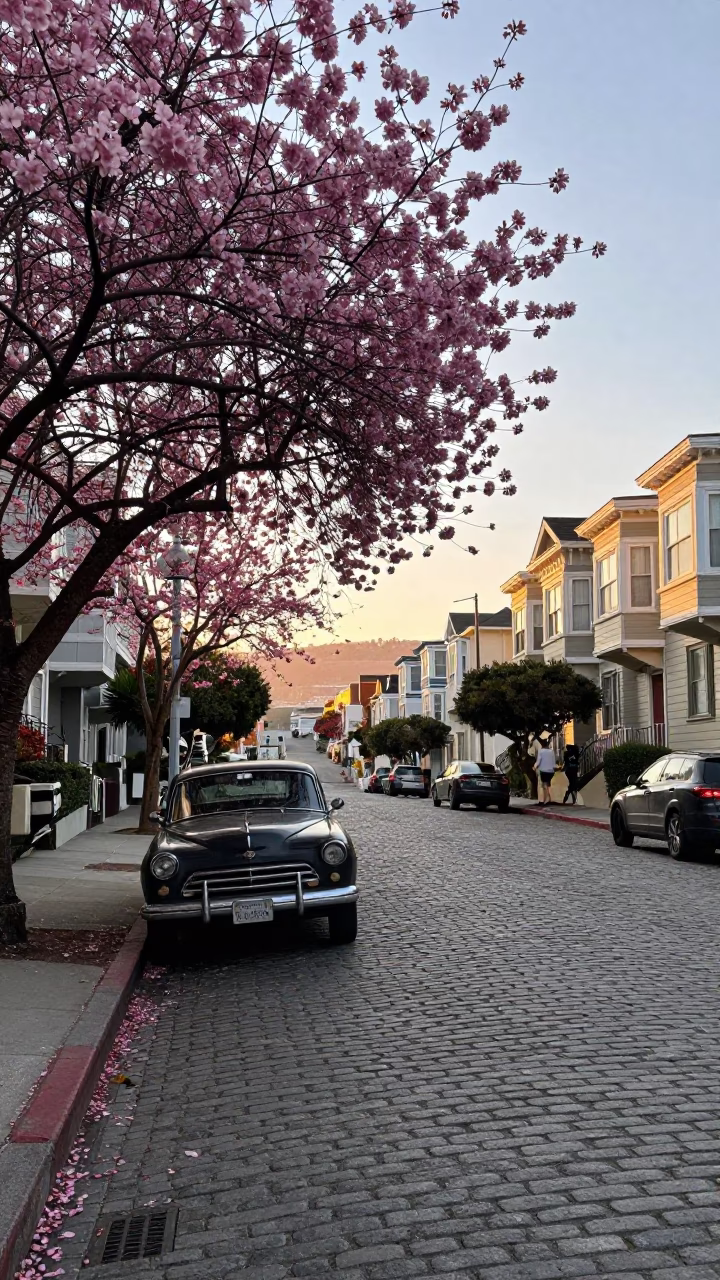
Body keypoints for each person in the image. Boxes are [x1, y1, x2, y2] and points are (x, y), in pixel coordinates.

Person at [534, 741, 557, 806]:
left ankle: (545, 800)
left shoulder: (541, 751)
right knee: (548, 784)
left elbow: (538, 761)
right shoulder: (551, 751)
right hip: (551, 771)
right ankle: (549, 799)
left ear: (542, 745)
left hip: (544, 770)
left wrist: (535, 767)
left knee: (544, 785)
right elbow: (553, 761)